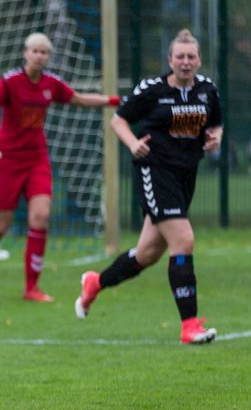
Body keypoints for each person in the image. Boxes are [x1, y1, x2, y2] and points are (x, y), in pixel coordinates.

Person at [74, 29, 223, 345]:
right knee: (183, 240)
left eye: (191, 57)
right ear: (169, 60)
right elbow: (118, 120)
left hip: (186, 175)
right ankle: (189, 326)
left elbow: (216, 123)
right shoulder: (152, 90)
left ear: (199, 60)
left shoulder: (208, 90)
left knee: (148, 253)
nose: (185, 62)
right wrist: (132, 144)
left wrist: (216, 136)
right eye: (179, 57)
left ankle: (95, 283)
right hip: (155, 171)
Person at [0, 32, 121, 302]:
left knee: (40, 217)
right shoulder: (10, 82)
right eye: (35, 51)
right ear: (25, 53)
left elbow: (77, 98)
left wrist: (112, 101)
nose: (39, 56)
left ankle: (32, 288)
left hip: (37, 159)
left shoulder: (51, 84)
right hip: (5, 160)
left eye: (44, 52)